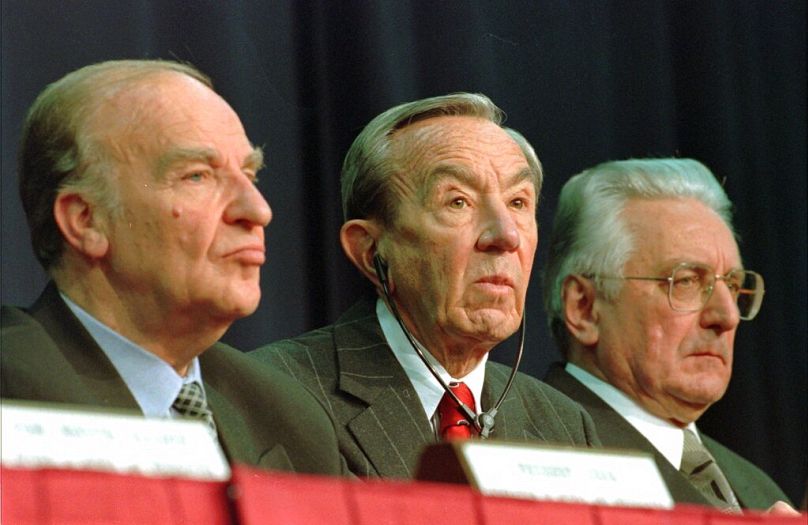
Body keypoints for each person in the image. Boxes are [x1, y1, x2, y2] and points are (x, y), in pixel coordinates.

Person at [0, 59, 343, 475]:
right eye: (197, 176)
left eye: (250, 175)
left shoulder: (287, 415)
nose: (258, 211)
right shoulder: (13, 388)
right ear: (85, 220)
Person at [251, 93, 599, 479]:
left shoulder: (565, 425)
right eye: (458, 202)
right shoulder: (280, 395)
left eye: (518, 203)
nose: (506, 236)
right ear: (370, 250)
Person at [541, 158, 794, 511]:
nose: (728, 316)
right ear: (584, 308)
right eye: (687, 281)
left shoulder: (759, 487)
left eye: (733, 286)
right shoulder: (534, 454)